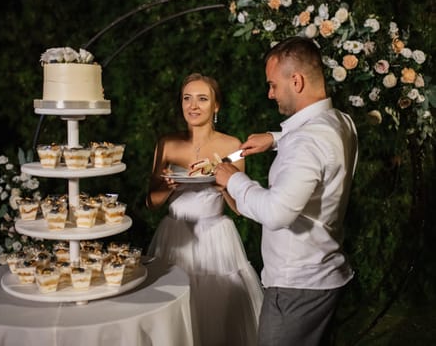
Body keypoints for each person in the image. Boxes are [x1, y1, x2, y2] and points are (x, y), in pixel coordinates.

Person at [214, 36, 358, 346]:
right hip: (324, 274)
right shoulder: (341, 122)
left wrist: (232, 180)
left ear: (296, 80)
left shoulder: (307, 142)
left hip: (297, 287)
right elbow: (315, 142)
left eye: (273, 85)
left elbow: (276, 213)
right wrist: (275, 137)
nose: (269, 94)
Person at [146, 73, 263, 346]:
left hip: (216, 238)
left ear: (216, 106)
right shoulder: (167, 143)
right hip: (175, 235)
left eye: (202, 98)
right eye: (187, 98)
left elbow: (240, 208)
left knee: (216, 313)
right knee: (174, 309)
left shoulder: (232, 146)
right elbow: (151, 201)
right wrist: (169, 186)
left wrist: (223, 183)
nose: (193, 105)